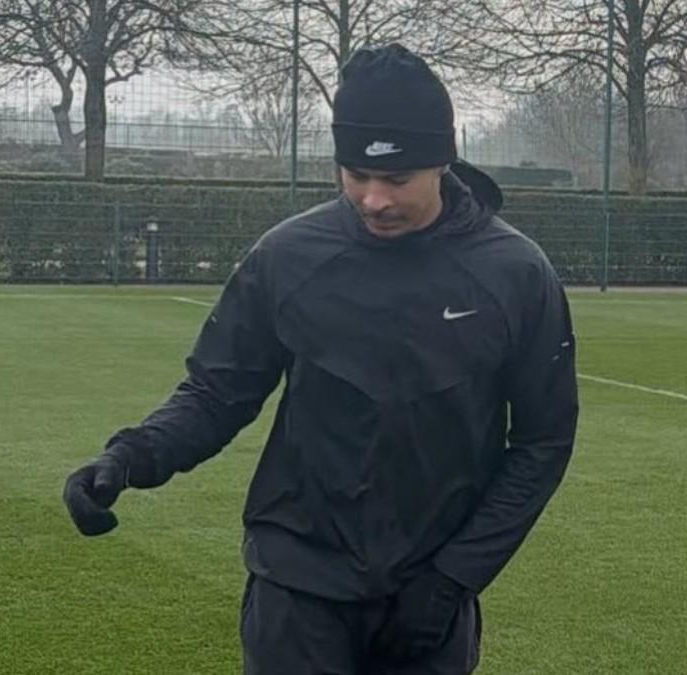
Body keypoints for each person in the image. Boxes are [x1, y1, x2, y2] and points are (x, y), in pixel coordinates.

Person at [62, 43, 579, 675]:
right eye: (355, 174)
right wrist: (130, 456)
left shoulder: (516, 274)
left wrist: (454, 577)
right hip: (297, 584)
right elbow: (217, 392)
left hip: (429, 595)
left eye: (396, 179)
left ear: (443, 161)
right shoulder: (289, 256)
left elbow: (543, 442)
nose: (373, 200)